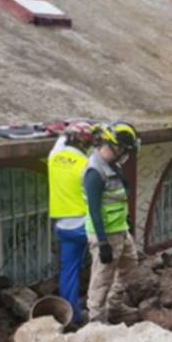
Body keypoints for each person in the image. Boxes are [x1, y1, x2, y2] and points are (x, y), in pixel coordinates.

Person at [84, 122, 141, 323]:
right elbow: (94, 209)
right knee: (102, 278)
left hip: (120, 230)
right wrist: (102, 242)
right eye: (125, 150)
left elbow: (116, 198)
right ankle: (97, 321)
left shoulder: (112, 166)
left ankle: (114, 306)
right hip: (105, 234)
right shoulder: (95, 172)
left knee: (130, 263)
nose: (126, 154)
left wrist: (126, 220)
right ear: (114, 146)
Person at [47, 122, 96, 323]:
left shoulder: (54, 156)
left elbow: (61, 140)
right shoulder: (86, 163)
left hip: (63, 226)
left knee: (69, 271)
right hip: (84, 224)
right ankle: (97, 309)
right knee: (101, 267)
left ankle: (71, 315)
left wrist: (65, 130)